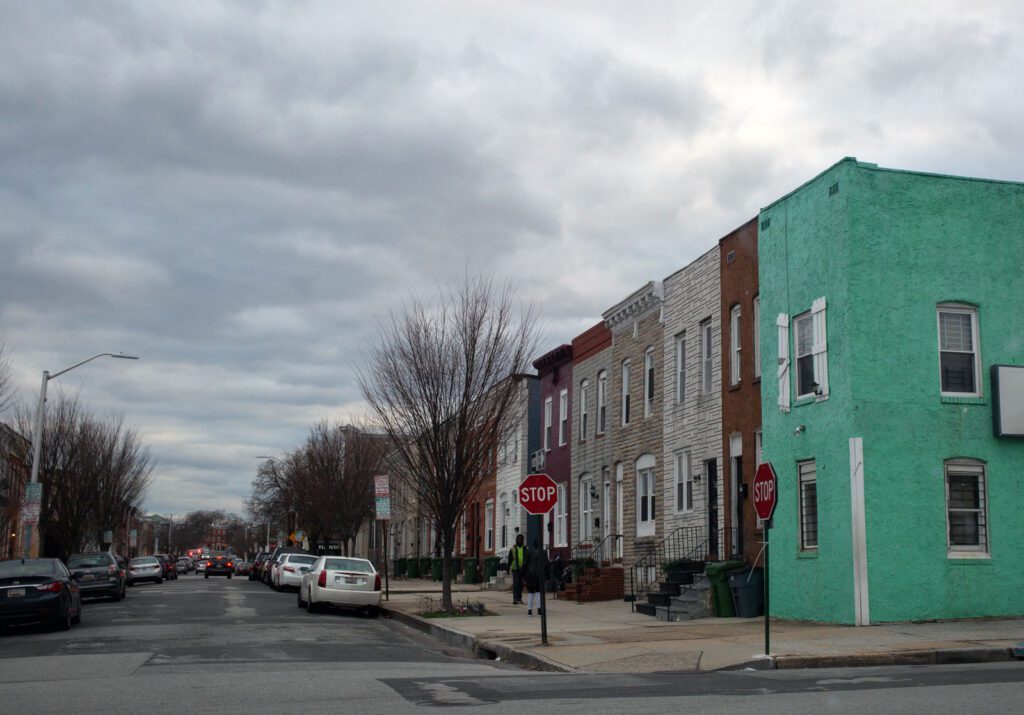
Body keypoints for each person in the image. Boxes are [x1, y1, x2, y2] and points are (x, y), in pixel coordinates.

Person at [525, 538, 545, 616]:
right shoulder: (543, 552)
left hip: (530, 574)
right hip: (539, 574)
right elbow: (546, 565)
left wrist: (524, 575)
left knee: (530, 592)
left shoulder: (529, 552)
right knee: (538, 592)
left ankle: (529, 610)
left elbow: (525, 564)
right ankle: (539, 609)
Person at [508, 533, 526, 604]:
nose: (520, 540)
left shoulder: (525, 548)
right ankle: (515, 599)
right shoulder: (513, 549)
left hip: (523, 568)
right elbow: (510, 559)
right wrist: (507, 568)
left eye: (521, 539)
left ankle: (519, 598)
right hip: (515, 569)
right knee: (516, 584)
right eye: (518, 539)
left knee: (521, 584)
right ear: (516, 540)